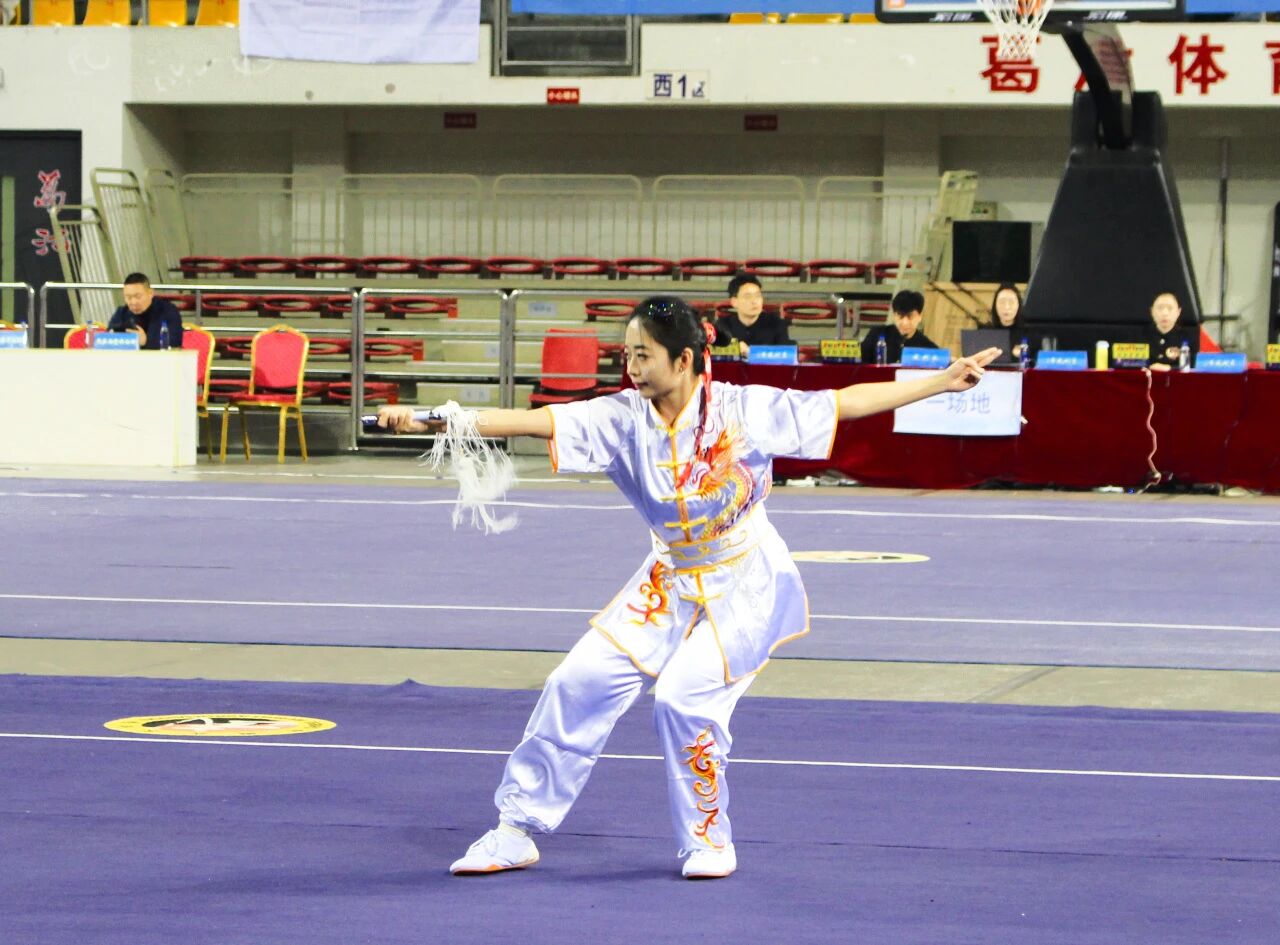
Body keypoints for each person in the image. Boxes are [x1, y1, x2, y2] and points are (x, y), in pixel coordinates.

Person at [377, 296, 999, 880]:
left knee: (681, 699)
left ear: (683, 360)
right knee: (577, 681)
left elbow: (845, 401)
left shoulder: (744, 409)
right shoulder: (622, 418)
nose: (631, 367)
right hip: (670, 578)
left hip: (746, 579)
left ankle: (709, 840)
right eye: (626, 354)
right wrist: (436, 417)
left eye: (642, 355)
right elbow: (535, 420)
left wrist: (940, 381)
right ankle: (517, 827)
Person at [714, 273, 792, 358]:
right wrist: (734, 348)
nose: (754, 301)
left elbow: (786, 356)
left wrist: (752, 353)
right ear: (734, 302)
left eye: (758, 296)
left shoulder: (777, 324)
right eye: (748, 297)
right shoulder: (723, 326)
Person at [106, 273, 184, 350]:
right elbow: (108, 340)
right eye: (128, 297)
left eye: (138, 296)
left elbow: (173, 344)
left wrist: (145, 342)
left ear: (150, 293)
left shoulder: (167, 311)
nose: (133, 302)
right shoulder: (122, 313)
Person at [860, 289, 939, 364]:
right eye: (900, 316)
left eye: (910, 316)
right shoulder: (876, 335)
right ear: (894, 315)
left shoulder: (929, 348)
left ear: (920, 317)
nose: (905, 322)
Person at [1144, 291, 1198, 371]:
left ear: (1178, 312)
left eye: (1170, 308)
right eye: (1160, 308)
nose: (1165, 313)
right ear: (1152, 311)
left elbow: (1193, 366)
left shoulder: (1189, 337)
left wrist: (1170, 368)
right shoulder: (1141, 336)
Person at [985, 283, 1032, 363]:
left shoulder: (1029, 332)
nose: (1007, 307)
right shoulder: (985, 332)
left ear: (1019, 305)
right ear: (995, 305)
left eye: (1011, 302)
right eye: (1002, 302)